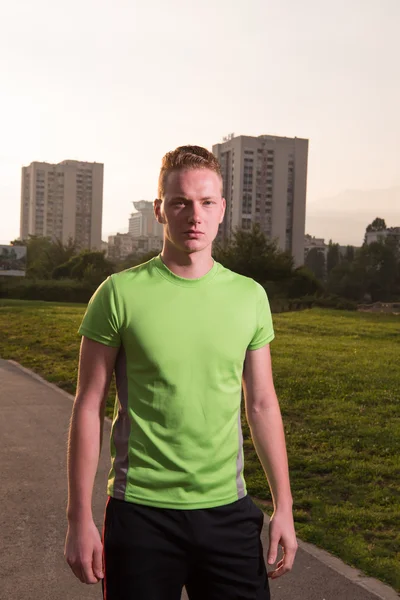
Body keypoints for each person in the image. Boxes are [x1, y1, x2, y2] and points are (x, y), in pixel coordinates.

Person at [64, 145, 298, 599]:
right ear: (159, 210)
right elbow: (88, 406)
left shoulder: (249, 296)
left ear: (222, 209)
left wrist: (284, 507)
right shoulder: (118, 294)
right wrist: (79, 518)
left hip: (228, 513)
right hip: (142, 515)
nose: (195, 215)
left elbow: (263, 402)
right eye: (181, 203)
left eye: (207, 202)